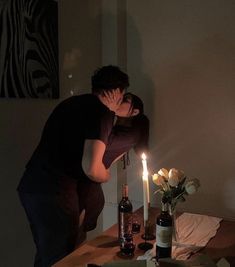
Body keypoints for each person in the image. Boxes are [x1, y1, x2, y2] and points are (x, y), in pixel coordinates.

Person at [17, 65, 129, 267]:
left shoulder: (71, 103)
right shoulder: (101, 112)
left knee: (48, 255)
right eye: (123, 95)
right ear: (116, 92)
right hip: (54, 193)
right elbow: (92, 168)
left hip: (33, 187)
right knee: (61, 259)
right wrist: (106, 175)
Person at [78, 92, 149, 237]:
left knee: (73, 241)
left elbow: (105, 144)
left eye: (125, 100)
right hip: (82, 189)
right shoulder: (111, 125)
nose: (119, 100)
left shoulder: (131, 135)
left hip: (86, 191)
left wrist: (108, 109)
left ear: (134, 112)